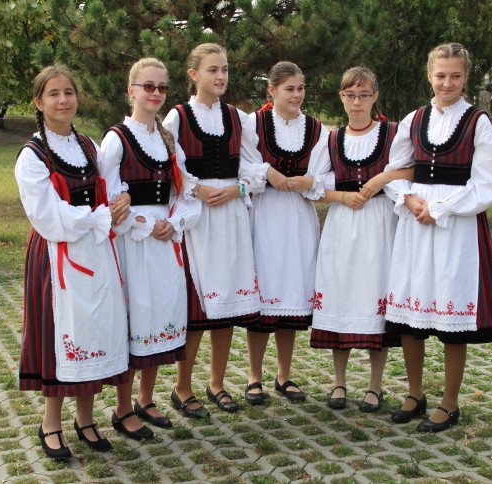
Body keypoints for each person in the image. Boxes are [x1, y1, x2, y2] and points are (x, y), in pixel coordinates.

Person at [383, 43, 492, 433]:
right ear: (430, 76)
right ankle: (414, 393)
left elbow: (486, 183)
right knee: (412, 313)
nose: (447, 83)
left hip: (456, 226)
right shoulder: (414, 119)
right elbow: (395, 170)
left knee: (452, 315)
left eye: (455, 76)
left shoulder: (478, 122)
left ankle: (450, 403)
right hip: (415, 224)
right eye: (441, 75)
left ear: (466, 77)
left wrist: (440, 209)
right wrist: (409, 199)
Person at [163, 43, 288, 418]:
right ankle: (182, 387)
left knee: (228, 304)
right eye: (213, 70)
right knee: (197, 310)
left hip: (231, 216)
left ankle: (216, 383)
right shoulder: (178, 117)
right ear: (194, 74)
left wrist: (238, 189)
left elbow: (253, 166)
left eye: (225, 70)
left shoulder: (237, 118)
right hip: (197, 219)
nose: (221, 76)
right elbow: (169, 166)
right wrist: (195, 188)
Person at [15, 65, 131, 458]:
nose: (63, 100)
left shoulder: (87, 145)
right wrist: (98, 218)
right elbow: (48, 216)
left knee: (93, 331)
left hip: (95, 251)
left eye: (69, 92)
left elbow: (109, 187)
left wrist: (122, 198)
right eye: (53, 94)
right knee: (59, 336)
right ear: (38, 102)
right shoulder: (32, 156)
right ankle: (50, 423)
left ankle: (86, 419)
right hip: (56, 256)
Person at [299, 66, 411, 412]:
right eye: (351, 96)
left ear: (375, 97)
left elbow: (410, 170)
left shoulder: (392, 134)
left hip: (380, 223)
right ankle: (339, 381)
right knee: (341, 295)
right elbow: (314, 188)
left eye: (364, 95)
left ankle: (375, 385)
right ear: (342, 97)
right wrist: (344, 197)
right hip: (343, 225)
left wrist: (381, 181)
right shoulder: (331, 139)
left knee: (376, 294)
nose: (357, 102)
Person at [100, 58, 201, 439]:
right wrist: (142, 223)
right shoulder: (117, 138)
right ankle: (122, 407)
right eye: (148, 86)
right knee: (134, 318)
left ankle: (145, 397)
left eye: (161, 87)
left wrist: (175, 222)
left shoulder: (166, 138)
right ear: (132, 91)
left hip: (164, 239)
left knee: (158, 316)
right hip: (132, 241)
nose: (156, 93)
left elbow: (185, 190)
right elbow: (108, 194)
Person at [244, 61, 325, 405]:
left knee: (291, 295)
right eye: (289, 88)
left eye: (301, 88)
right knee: (265, 295)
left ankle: (284, 375)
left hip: (298, 216)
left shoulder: (316, 128)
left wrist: (310, 181)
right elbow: (243, 162)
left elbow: (326, 172)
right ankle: (253, 375)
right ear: (272, 90)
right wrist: (268, 172)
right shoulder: (254, 123)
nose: (296, 95)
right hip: (265, 214)